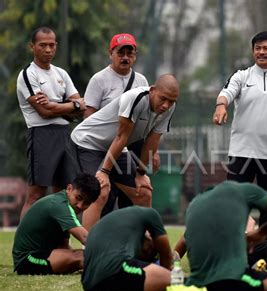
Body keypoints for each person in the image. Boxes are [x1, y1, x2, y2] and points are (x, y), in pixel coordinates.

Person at [212, 31, 267, 241]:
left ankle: (265, 251)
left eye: (266, 48)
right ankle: (232, 247)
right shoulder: (241, 76)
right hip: (241, 153)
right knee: (235, 204)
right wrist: (220, 106)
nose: (261, 52)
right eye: (257, 48)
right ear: (253, 51)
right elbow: (226, 93)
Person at [71, 74, 179, 230]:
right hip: (87, 142)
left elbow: (152, 140)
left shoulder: (169, 108)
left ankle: (142, 247)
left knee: (144, 193)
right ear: (153, 90)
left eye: (171, 101)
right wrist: (104, 172)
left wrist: (141, 173)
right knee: (100, 191)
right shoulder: (137, 98)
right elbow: (121, 136)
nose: (166, 105)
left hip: (116, 147)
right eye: (163, 99)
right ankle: (89, 251)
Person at [16, 26, 87, 218]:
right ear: (32, 46)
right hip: (41, 135)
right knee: (36, 195)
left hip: (65, 135)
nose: (48, 50)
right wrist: (71, 106)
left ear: (56, 46)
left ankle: (61, 243)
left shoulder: (61, 74)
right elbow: (44, 112)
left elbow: (81, 108)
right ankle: (23, 246)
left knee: (65, 194)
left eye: (51, 45)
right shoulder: (28, 75)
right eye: (42, 45)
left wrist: (62, 106)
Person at [83, 33, 151, 213]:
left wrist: (152, 152)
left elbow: (145, 118)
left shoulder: (141, 81)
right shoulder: (99, 80)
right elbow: (88, 117)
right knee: (100, 193)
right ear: (110, 53)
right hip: (98, 148)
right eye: (121, 53)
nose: (125, 57)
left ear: (135, 56)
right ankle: (90, 240)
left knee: (137, 192)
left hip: (124, 149)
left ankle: (132, 238)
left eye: (130, 53)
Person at [12, 173, 100, 275]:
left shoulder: (64, 204)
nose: (80, 206)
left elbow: (64, 246)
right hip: (28, 260)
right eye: (78, 198)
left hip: (39, 256)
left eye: (86, 203)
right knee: (82, 257)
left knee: (83, 256)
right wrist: (111, 253)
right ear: (69, 188)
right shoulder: (60, 205)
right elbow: (85, 238)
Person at [81, 206, 173, 291]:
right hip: (116, 272)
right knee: (176, 281)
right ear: (150, 236)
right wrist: (164, 272)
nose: (147, 253)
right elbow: (166, 253)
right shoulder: (150, 214)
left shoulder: (114, 229)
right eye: (151, 252)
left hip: (89, 286)